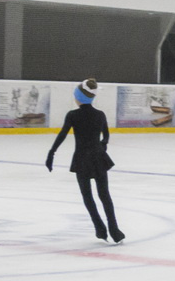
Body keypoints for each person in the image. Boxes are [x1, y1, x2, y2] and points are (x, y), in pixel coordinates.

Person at [46, 78, 123, 243]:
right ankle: (114, 230)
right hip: (98, 157)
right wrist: (103, 145)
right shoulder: (100, 114)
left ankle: (100, 229)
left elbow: (62, 135)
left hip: (82, 159)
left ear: (78, 97)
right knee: (105, 196)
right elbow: (106, 135)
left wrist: (51, 153)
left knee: (87, 196)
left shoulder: (73, 115)